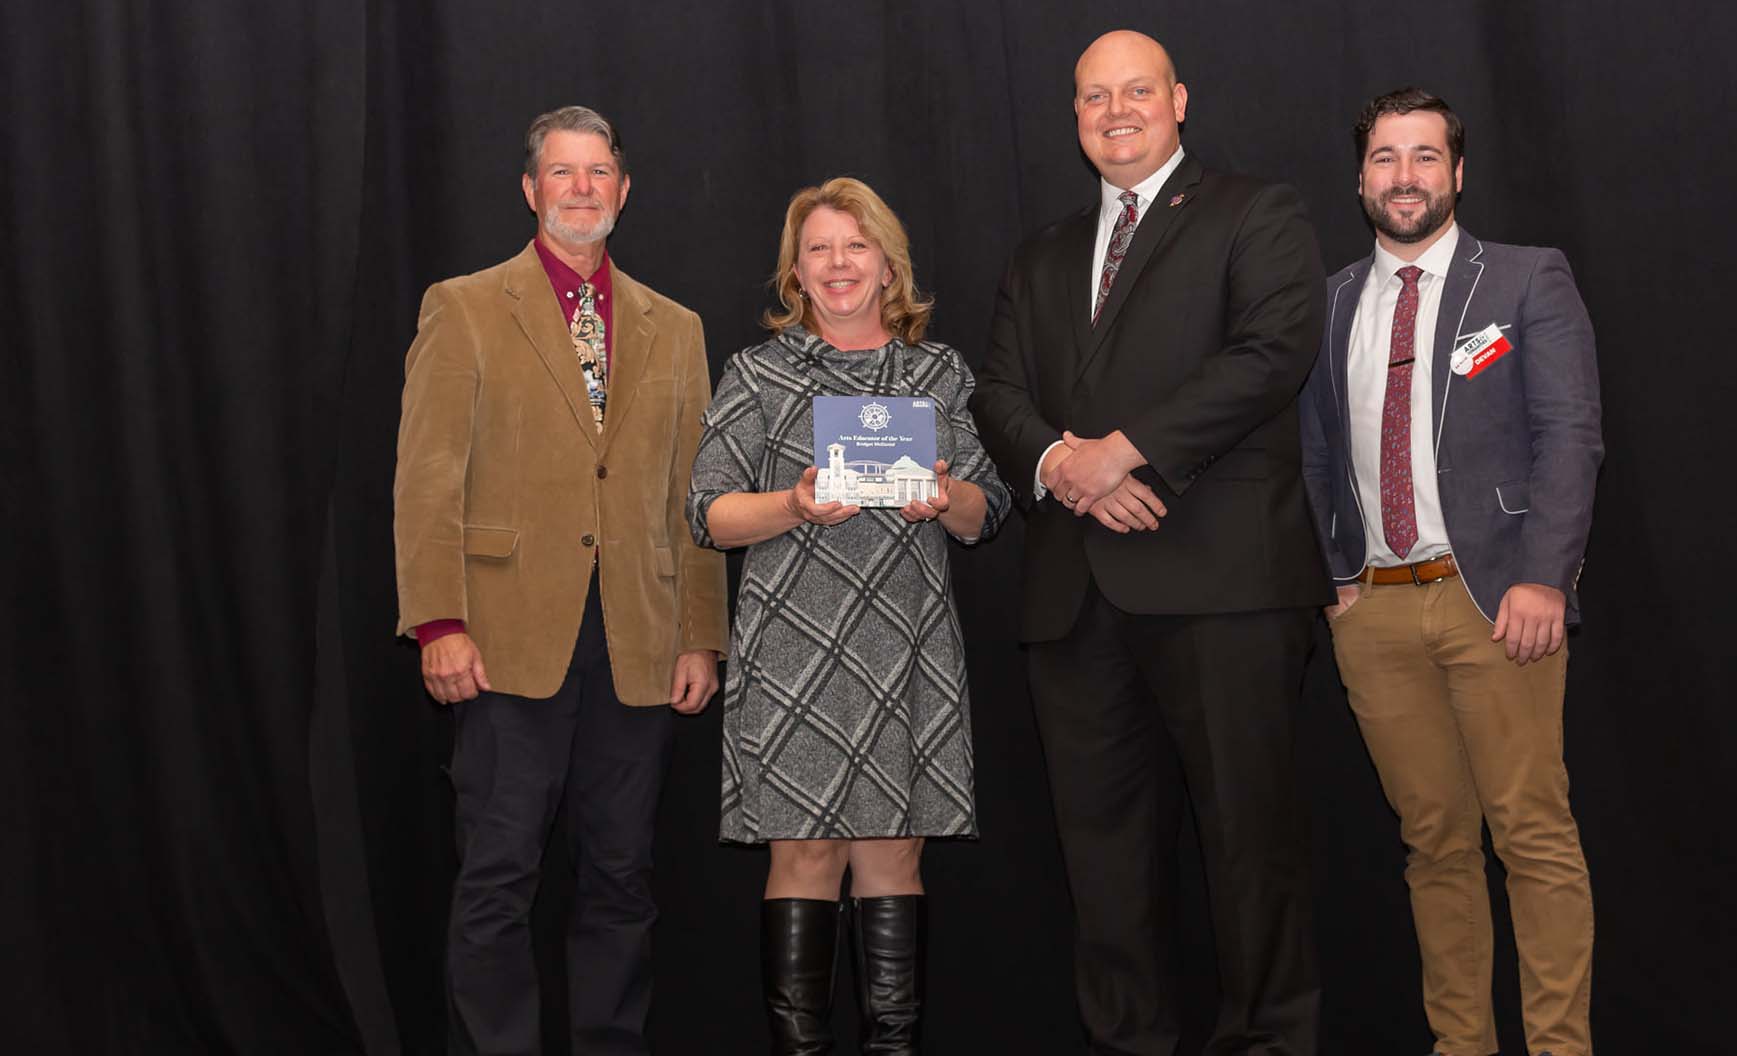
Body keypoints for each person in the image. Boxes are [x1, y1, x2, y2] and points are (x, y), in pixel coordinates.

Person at [969, 29, 1330, 1055]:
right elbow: (997, 394)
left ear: (1179, 100)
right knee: (1104, 864)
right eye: (1093, 96)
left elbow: (1271, 353)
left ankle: (1268, 1043)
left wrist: (1123, 453)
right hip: (1075, 600)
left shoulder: (1254, 212)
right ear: (1075, 116)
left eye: (1136, 90)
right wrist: (1064, 471)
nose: (1115, 110)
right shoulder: (1040, 254)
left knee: (1251, 850)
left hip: (1224, 586)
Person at [393, 105, 729, 1055]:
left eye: (599, 173)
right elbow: (425, 480)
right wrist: (437, 622)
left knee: (622, 877)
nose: (582, 189)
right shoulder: (462, 306)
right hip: (504, 638)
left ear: (623, 191)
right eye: (562, 172)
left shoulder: (677, 326)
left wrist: (701, 630)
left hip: (641, 643)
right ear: (531, 189)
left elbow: (691, 492)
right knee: (498, 875)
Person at [1298, 87, 1602, 1056]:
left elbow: (1570, 436)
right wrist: (1335, 575)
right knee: (1434, 848)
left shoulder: (1523, 280)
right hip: (1377, 617)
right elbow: (1309, 450)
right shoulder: (1331, 301)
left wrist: (1547, 575)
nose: (1405, 177)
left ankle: (1560, 1049)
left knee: (1533, 838)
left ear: (1458, 174)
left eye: (1426, 157)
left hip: (1499, 605)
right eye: (1386, 158)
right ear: (1360, 179)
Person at [686, 176, 1010, 1055]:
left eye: (855, 247)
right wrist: (792, 502)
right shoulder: (757, 373)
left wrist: (944, 498)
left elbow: (988, 514)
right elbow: (707, 512)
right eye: (820, 249)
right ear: (796, 270)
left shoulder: (937, 372)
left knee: (894, 858)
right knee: (804, 860)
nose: (839, 265)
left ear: (888, 264)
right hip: (794, 649)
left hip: (904, 645)